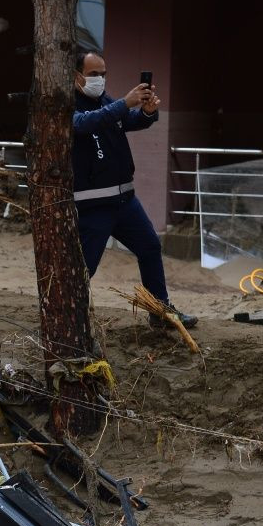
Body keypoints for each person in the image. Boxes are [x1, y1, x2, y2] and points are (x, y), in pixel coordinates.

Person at [71, 50, 197, 329]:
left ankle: (160, 311)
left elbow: (127, 120)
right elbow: (83, 124)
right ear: (76, 76)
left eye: (103, 75)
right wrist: (124, 104)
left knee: (150, 246)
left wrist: (147, 113)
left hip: (125, 200)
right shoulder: (68, 105)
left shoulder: (104, 101)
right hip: (93, 206)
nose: (100, 80)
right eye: (94, 75)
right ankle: (69, 320)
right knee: (84, 269)